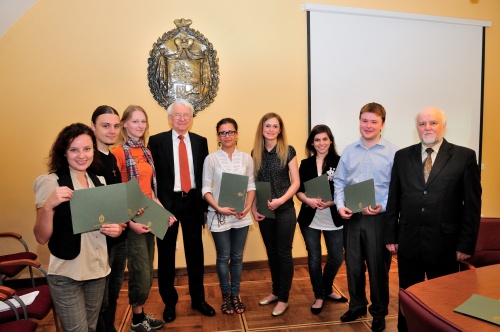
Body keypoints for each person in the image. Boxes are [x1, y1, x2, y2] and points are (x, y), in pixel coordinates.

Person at [384, 107, 481, 332]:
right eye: (422, 123)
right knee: (409, 297)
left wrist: (465, 244)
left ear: (443, 126)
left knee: (444, 299)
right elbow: (394, 198)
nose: (427, 127)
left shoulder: (464, 156)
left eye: (433, 123)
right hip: (409, 242)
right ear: (416, 128)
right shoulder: (402, 156)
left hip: (446, 244)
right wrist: (391, 234)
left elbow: (472, 206)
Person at [33, 123, 123, 332]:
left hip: (98, 271)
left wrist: (117, 229)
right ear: (64, 152)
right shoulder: (50, 182)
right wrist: (48, 206)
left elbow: (112, 222)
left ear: (94, 150)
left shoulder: (99, 181)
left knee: (91, 328)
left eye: (87, 149)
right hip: (67, 274)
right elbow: (40, 237)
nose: (81, 155)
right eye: (74, 149)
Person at [148, 99, 216, 323]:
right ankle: (169, 303)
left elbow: (204, 177)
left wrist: (205, 208)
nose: (182, 119)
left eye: (186, 115)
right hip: (166, 206)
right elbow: (151, 177)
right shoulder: (156, 141)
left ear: (192, 118)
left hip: (193, 204)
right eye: (178, 115)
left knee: (195, 254)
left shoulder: (200, 142)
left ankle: (198, 299)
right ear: (170, 118)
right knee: (166, 256)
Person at [333, 102, 398, 332]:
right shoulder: (349, 151)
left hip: (378, 219)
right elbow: (340, 182)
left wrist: (383, 206)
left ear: (382, 124)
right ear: (359, 121)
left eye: (373, 121)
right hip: (353, 218)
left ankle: (379, 312)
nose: (368, 126)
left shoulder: (393, 152)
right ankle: (357, 305)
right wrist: (340, 206)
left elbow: (397, 189)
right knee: (353, 266)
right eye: (364, 121)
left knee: (378, 268)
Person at [112, 105, 169, 332]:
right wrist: (130, 223)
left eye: (143, 121)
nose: (140, 126)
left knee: (147, 269)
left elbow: (149, 189)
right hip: (131, 221)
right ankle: (136, 320)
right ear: (124, 124)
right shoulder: (117, 153)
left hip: (149, 216)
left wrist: (162, 211)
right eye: (135, 121)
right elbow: (116, 193)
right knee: (141, 271)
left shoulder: (146, 151)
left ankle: (139, 316)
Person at [202, 118, 256, 315]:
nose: (227, 136)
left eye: (230, 132)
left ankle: (235, 295)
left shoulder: (246, 159)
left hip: (241, 215)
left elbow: (251, 186)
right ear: (218, 136)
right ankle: (225, 296)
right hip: (219, 215)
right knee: (223, 256)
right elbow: (206, 189)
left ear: (237, 134)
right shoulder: (211, 159)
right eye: (223, 132)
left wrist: (248, 206)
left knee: (238, 256)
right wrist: (218, 207)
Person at [251, 112, 300, 317]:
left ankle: (284, 298)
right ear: (262, 129)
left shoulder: (288, 151)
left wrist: (281, 200)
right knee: (271, 253)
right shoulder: (255, 152)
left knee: (284, 253)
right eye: (267, 126)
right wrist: (254, 208)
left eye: (275, 126)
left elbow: (296, 182)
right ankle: (275, 291)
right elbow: (252, 183)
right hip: (264, 212)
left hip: (285, 210)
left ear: (280, 130)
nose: (271, 130)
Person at [296, 124, 347, 315]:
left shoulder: (340, 161)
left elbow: (345, 189)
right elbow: (299, 191)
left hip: (333, 217)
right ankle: (319, 295)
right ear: (312, 142)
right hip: (310, 218)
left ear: (330, 141)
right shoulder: (305, 164)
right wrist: (308, 200)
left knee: (335, 258)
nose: (321, 143)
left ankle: (326, 288)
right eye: (317, 140)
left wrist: (333, 202)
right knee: (314, 258)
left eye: (325, 139)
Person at [89, 105, 128, 332]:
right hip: (100, 240)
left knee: (113, 292)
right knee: (100, 300)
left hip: (119, 237)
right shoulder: (89, 160)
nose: (112, 131)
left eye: (115, 126)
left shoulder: (112, 157)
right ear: (93, 127)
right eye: (105, 126)